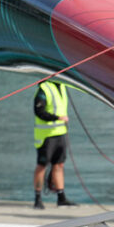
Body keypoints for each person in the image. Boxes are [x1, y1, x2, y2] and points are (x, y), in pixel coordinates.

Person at [33, 80, 78, 209]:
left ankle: (61, 198)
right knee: (42, 165)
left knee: (59, 165)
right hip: (46, 135)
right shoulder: (44, 88)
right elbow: (39, 111)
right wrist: (57, 118)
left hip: (60, 133)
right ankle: (37, 199)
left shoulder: (63, 85)